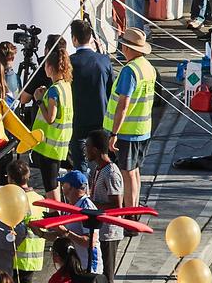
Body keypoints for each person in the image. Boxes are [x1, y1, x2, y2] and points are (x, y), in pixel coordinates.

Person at [103, 28, 155, 211]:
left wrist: (114, 133)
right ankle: (134, 210)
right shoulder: (148, 67)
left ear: (127, 48)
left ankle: (130, 214)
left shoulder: (129, 71)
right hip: (143, 129)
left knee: (128, 173)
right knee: (135, 172)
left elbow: (123, 105)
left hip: (127, 131)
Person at [68, 21, 112, 173]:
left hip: (78, 119)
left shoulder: (70, 62)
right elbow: (110, 90)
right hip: (101, 116)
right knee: (104, 161)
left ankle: (82, 191)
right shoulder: (104, 60)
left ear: (74, 39)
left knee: (80, 164)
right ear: (90, 38)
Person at [31, 45, 73, 199]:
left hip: (49, 146)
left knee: (51, 187)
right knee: (54, 184)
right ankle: (57, 214)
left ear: (50, 67)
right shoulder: (66, 86)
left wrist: (39, 101)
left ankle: (54, 216)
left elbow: (50, 118)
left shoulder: (54, 90)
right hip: (61, 142)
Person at [84, 130, 124, 283]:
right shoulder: (98, 169)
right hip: (99, 231)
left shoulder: (111, 173)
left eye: (87, 146)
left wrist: (91, 205)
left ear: (95, 149)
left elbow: (116, 206)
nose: (85, 149)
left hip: (109, 234)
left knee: (107, 277)